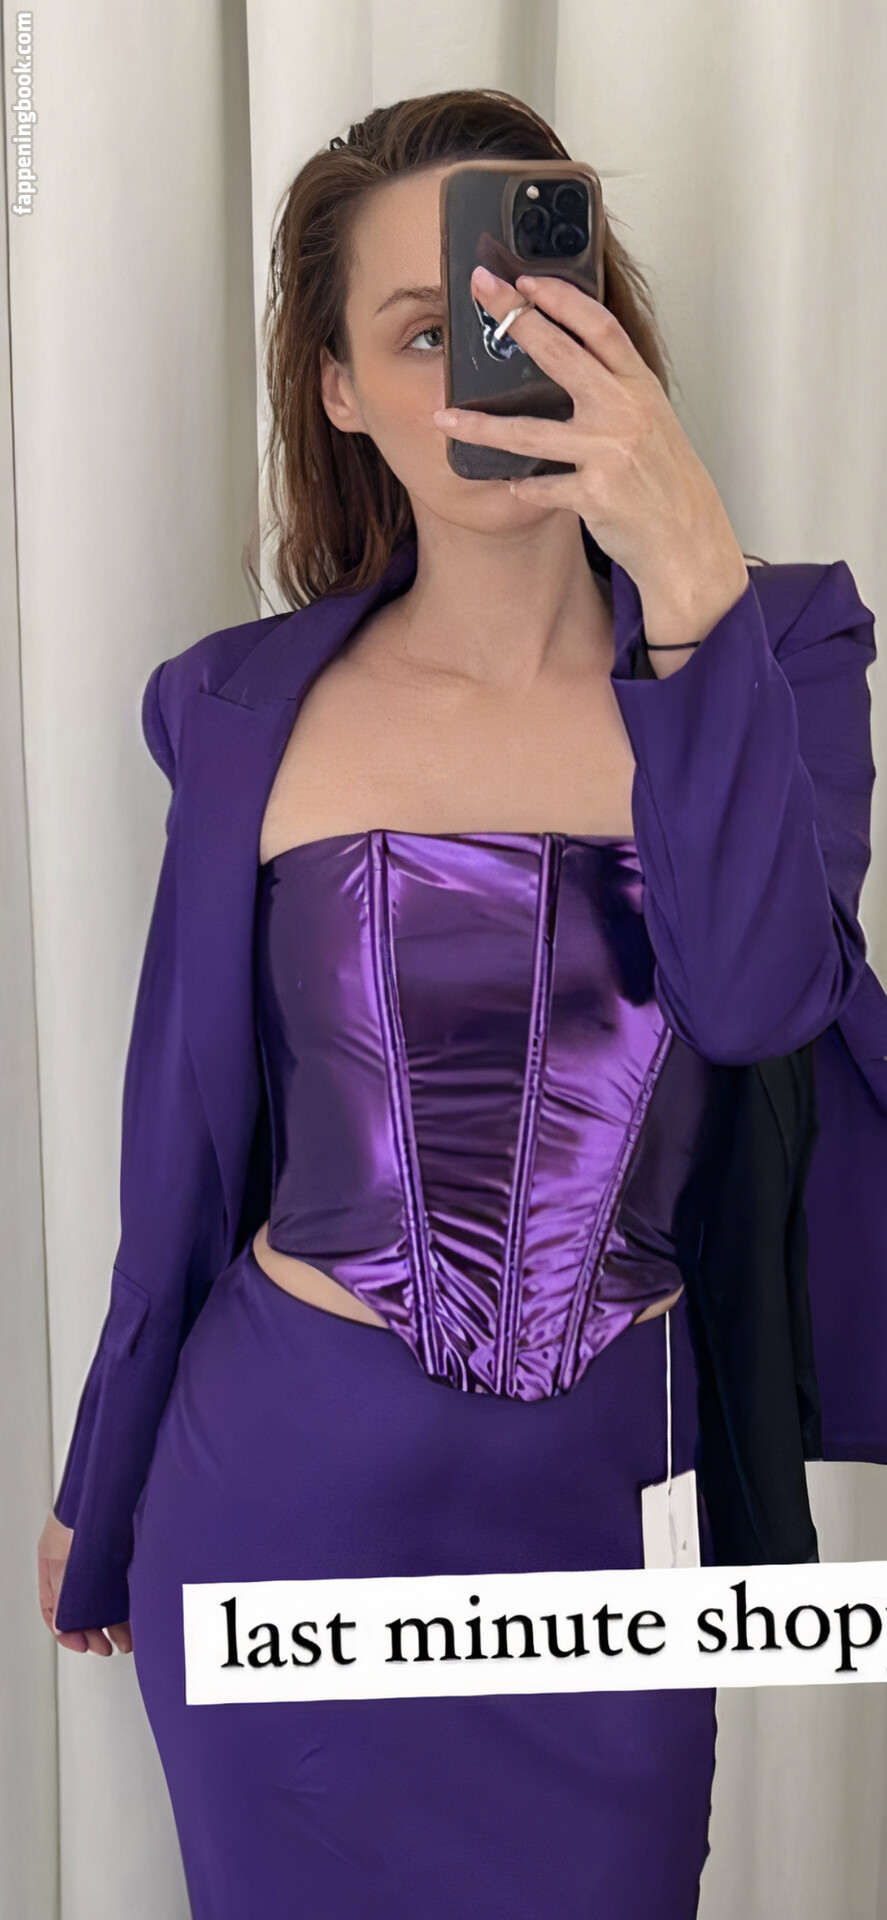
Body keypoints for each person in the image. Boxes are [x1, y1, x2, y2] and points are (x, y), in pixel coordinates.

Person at [38, 88, 885, 1919]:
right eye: (427, 334)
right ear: (340, 390)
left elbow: (757, 1001)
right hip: (288, 1491)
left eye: (529, 312)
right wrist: (100, 1487)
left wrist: (692, 581)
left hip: (602, 1508)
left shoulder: (784, 643)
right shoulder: (235, 705)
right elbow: (178, 1143)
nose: (492, 369)